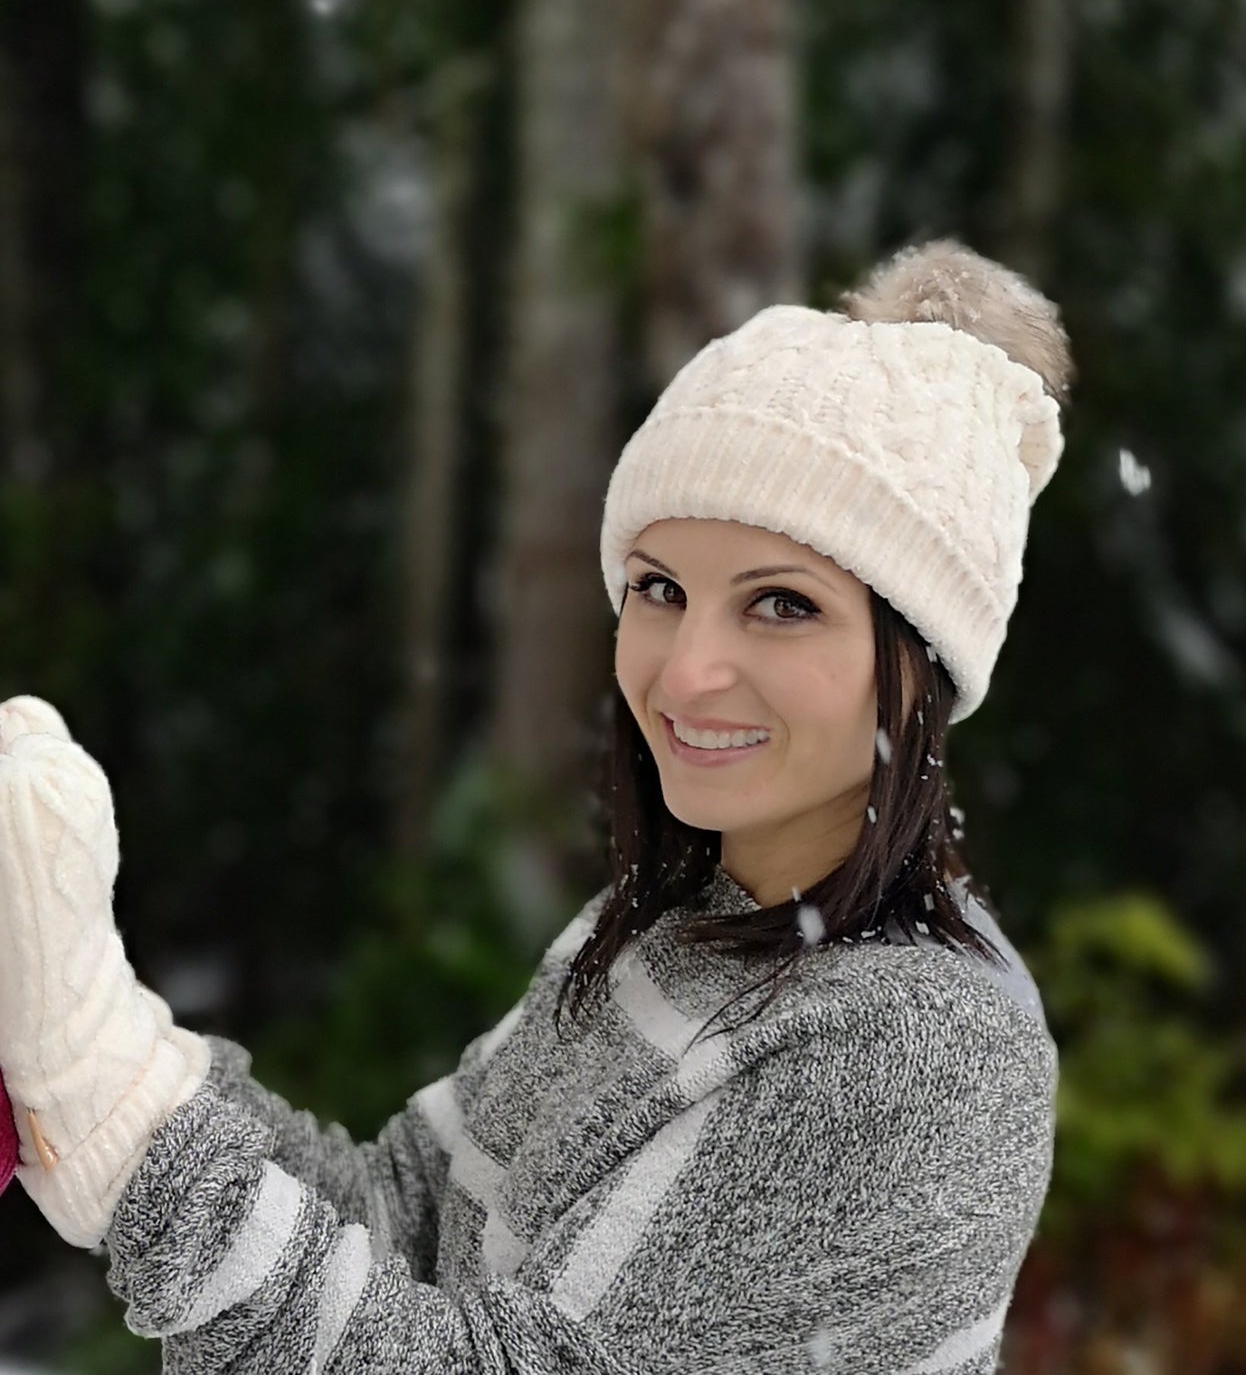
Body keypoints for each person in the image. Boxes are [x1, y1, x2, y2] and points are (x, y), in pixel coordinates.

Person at [0, 238, 1071, 1373]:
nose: (685, 667)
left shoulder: (911, 1043)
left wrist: (113, 1110)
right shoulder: (679, 927)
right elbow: (402, 1219)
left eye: (780, 605)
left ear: (917, 665)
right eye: (659, 588)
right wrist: (106, 1039)